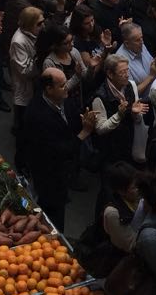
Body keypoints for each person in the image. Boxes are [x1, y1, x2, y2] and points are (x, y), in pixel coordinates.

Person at [18, 66, 99, 228]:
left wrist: (83, 122)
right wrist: (84, 132)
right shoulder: (37, 116)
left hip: (62, 171)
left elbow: (74, 120)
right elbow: (58, 151)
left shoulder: (64, 100)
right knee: (52, 216)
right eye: (62, 85)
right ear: (48, 89)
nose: (66, 87)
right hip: (47, 174)